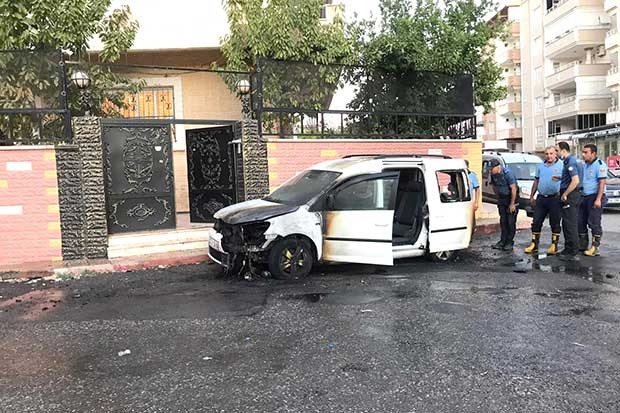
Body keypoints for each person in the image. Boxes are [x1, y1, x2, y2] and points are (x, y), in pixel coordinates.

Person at [523, 146, 563, 255]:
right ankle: (534, 245)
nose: (549, 156)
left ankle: (554, 245)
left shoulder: (562, 165)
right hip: (541, 198)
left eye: (551, 153)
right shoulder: (540, 166)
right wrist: (532, 196)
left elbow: (567, 181)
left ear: (555, 154)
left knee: (554, 222)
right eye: (547, 154)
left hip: (555, 198)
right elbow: (536, 181)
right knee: (536, 221)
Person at [578, 144, 607, 256]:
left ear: (593, 153)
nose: (583, 154)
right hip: (584, 196)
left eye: (586, 152)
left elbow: (602, 183)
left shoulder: (599, 165)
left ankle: (595, 247)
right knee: (580, 221)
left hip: (595, 196)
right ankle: (582, 245)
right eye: (583, 152)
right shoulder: (584, 165)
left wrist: (598, 199)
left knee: (594, 222)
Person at [556, 141, 582, 261]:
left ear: (563, 150)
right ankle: (568, 249)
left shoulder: (571, 161)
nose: (556, 153)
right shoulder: (569, 161)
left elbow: (575, 180)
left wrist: (565, 194)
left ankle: (572, 251)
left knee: (570, 224)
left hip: (571, 195)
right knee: (567, 223)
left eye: (557, 150)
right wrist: (560, 179)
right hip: (571, 193)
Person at [489, 158, 518, 251]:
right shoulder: (493, 175)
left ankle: (509, 242)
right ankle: (502, 241)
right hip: (502, 199)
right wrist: (498, 197)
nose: (490, 170)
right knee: (503, 221)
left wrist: (512, 204)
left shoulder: (507, 173)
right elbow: (494, 186)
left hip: (511, 198)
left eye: (492, 168)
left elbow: (513, 188)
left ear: (498, 167)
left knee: (510, 222)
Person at [465, 160, 480, 235]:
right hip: (461, 201)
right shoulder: (460, 175)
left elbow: (477, 189)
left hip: (470, 201)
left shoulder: (472, 176)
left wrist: (476, 202)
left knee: (471, 221)